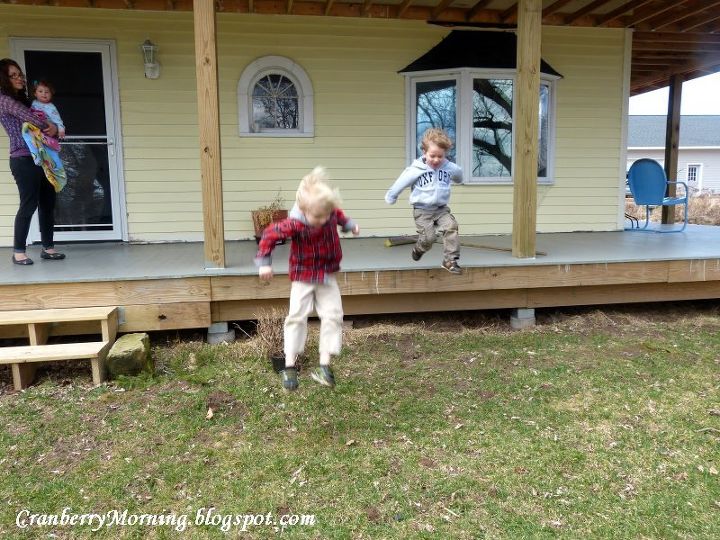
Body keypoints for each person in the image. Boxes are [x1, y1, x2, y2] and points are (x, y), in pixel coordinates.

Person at [255, 166, 360, 392]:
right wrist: (265, 262)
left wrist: (350, 225)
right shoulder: (296, 223)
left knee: (333, 315)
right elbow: (269, 235)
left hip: (327, 274)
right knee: (296, 316)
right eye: (317, 217)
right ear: (303, 210)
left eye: (326, 216)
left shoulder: (327, 212)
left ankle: (324, 365)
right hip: (303, 276)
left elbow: (339, 216)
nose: (322, 221)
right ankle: (290, 366)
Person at [0, 59, 65, 265]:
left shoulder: (25, 100)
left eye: (20, 74)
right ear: (4, 79)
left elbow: (41, 116)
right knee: (28, 204)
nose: (19, 78)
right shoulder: (4, 100)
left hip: (42, 157)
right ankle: (19, 251)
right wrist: (52, 126)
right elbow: (31, 119)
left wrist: (55, 127)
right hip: (23, 158)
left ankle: (48, 248)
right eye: (13, 75)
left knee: (48, 203)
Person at [385, 127, 464, 274]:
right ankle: (419, 249)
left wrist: (458, 176)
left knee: (451, 226)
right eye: (432, 155)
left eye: (440, 156)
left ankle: (450, 260)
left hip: (441, 209)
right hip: (422, 211)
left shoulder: (448, 167)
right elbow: (402, 182)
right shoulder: (416, 169)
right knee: (429, 238)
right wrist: (391, 196)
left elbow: (458, 174)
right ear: (424, 152)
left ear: (445, 154)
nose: (436, 160)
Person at [31, 79, 65, 146]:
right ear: (35, 93)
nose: (44, 94)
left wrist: (61, 129)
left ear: (51, 94)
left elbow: (57, 119)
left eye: (47, 92)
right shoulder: (34, 103)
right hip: (36, 129)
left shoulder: (51, 107)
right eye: (40, 91)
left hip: (47, 131)